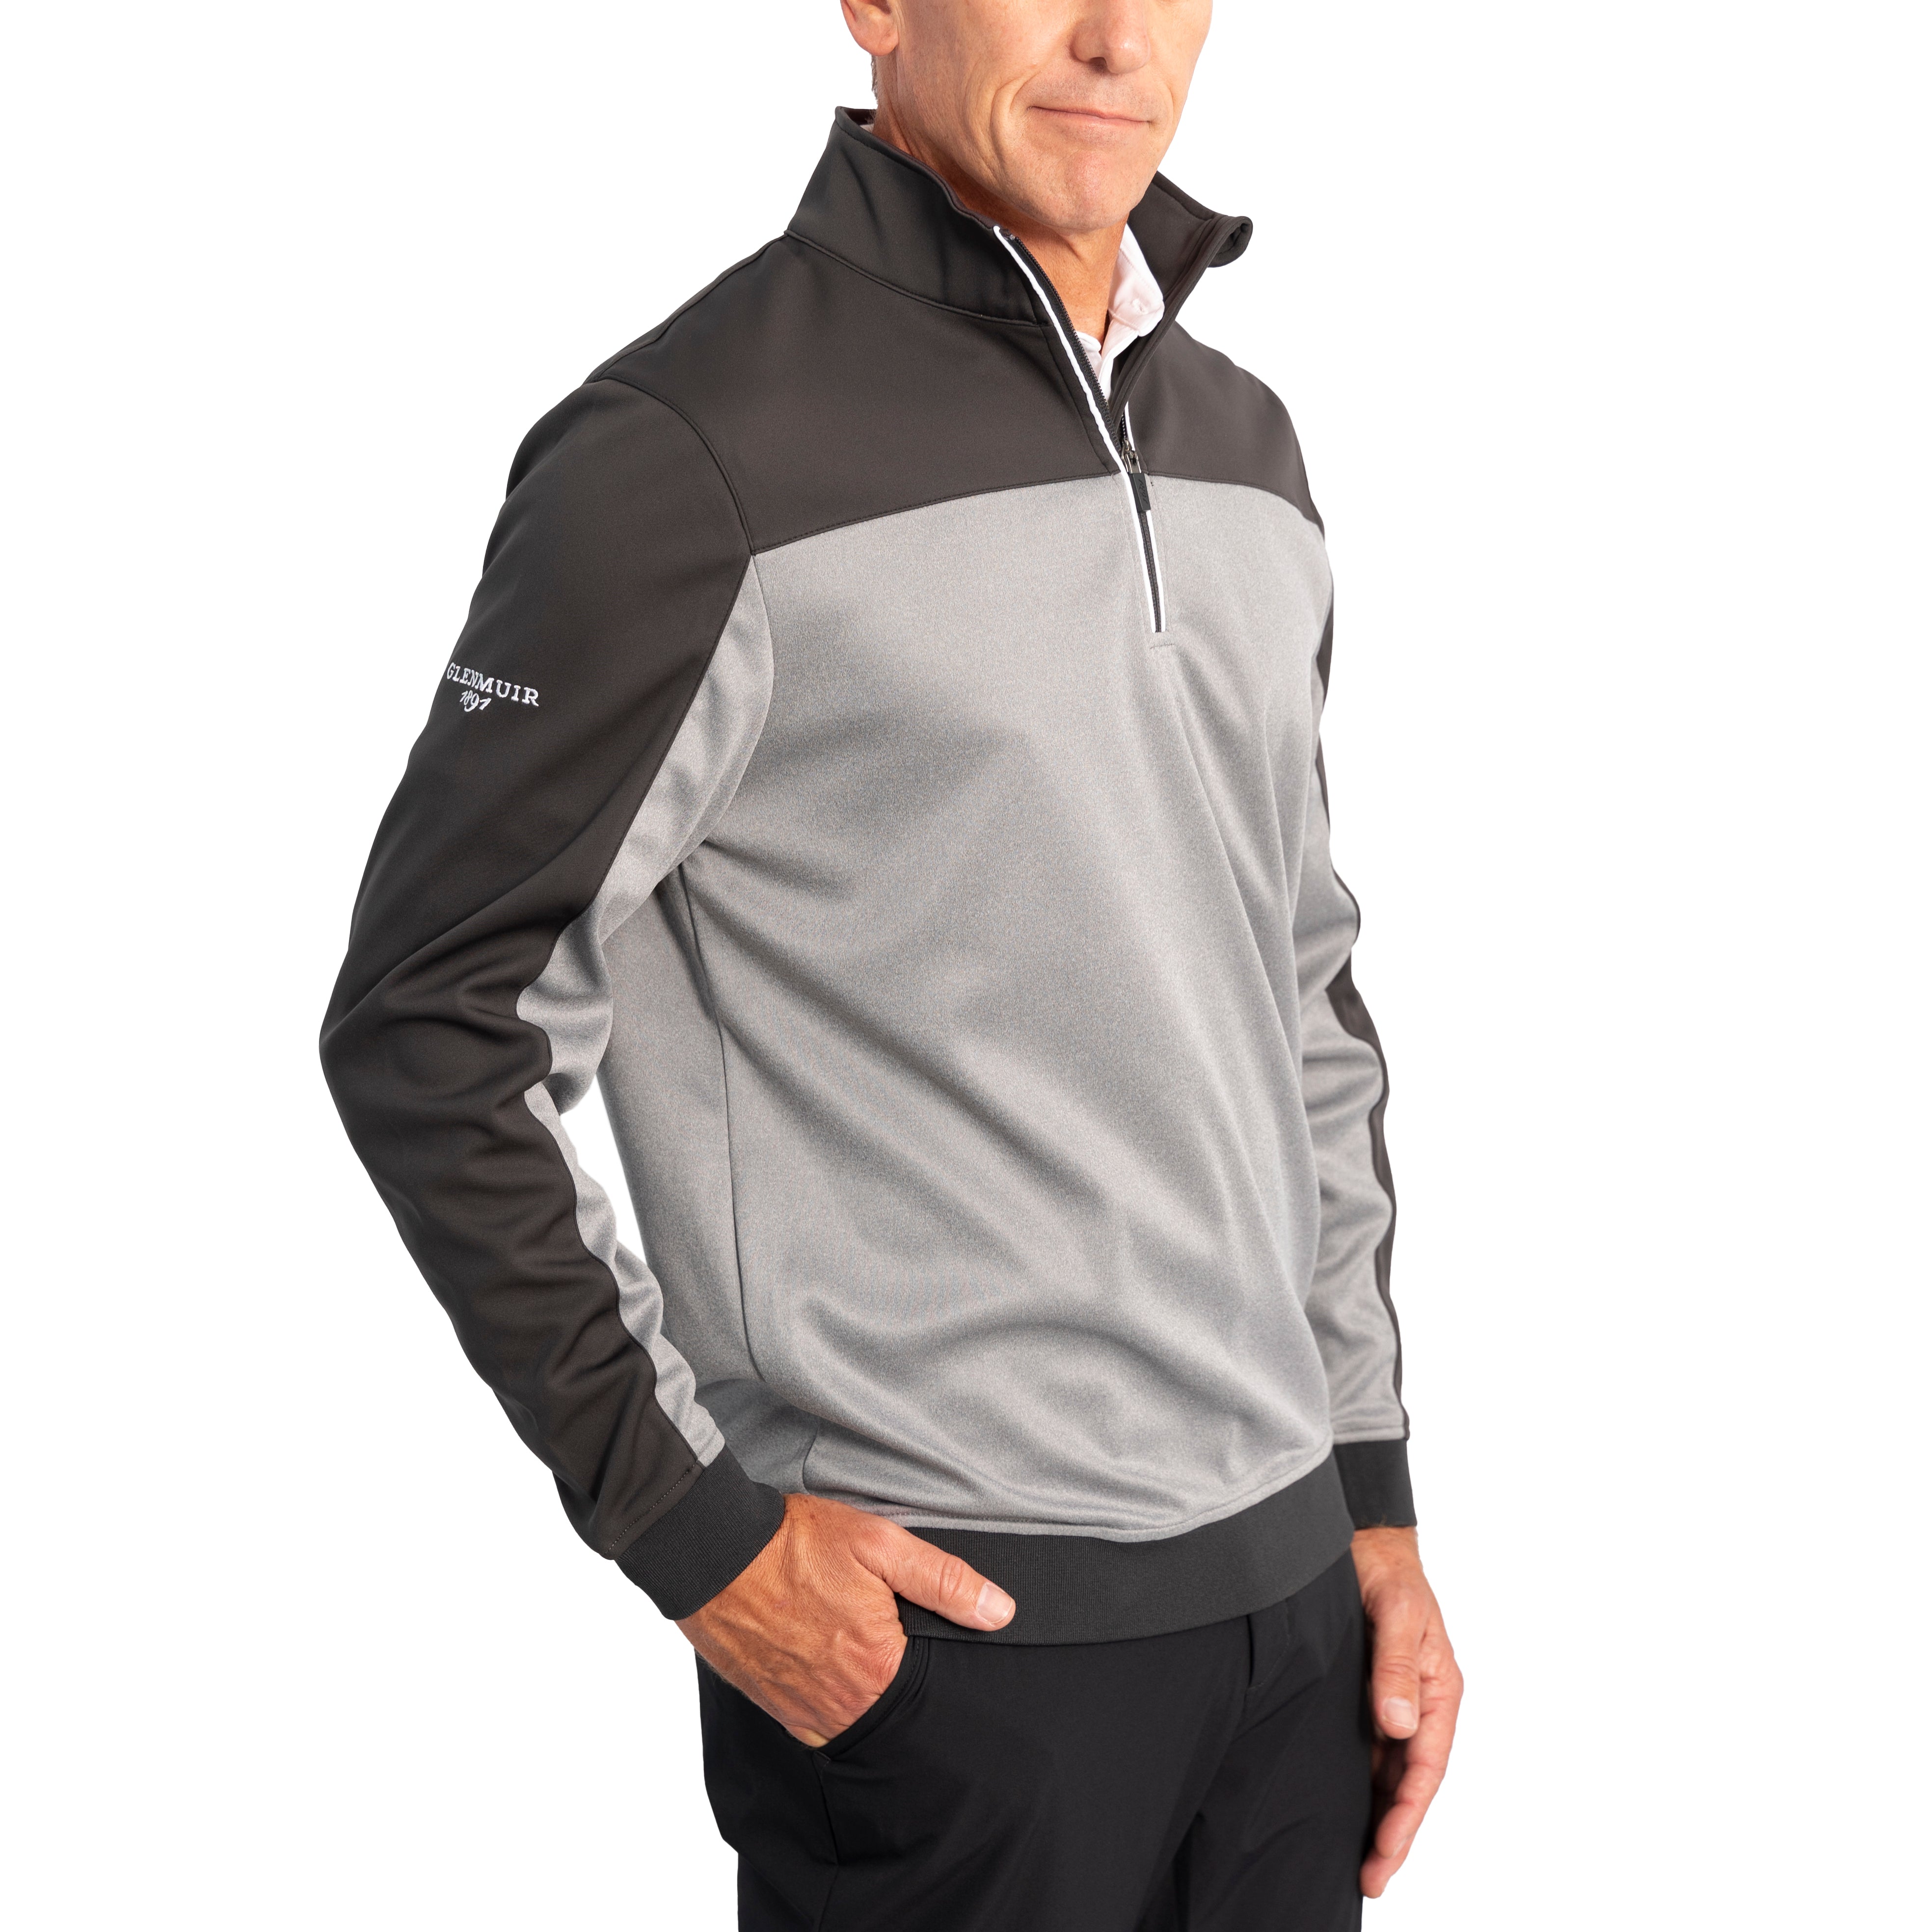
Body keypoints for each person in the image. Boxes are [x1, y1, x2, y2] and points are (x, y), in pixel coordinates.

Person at [320, 1, 1461, 1924]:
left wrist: (1371, 1495)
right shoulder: (688, 455)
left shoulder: (1246, 447)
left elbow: (1297, 989)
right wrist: (695, 1536)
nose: (1114, 38)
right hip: (957, 1653)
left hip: (1291, 1627)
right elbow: (433, 1025)